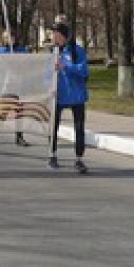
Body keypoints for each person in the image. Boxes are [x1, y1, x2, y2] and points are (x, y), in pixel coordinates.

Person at [48, 22, 89, 174]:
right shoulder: (52, 51)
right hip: (58, 95)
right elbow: (47, 73)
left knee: (79, 128)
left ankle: (79, 159)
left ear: (61, 35)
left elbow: (83, 70)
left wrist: (66, 67)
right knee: (53, 127)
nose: (51, 36)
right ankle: (52, 155)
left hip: (76, 95)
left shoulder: (76, 51)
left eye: (54, 33)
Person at [0, 34, 29, 147]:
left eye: (12, 37)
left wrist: (18, 58)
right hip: (8, 84)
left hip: (20, 83)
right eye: (7, 37)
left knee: (20, 111)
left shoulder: (21, 49)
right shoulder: (2, 50)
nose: (10, 39)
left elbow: (26, 61)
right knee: (5, 110)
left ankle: (19, 137)